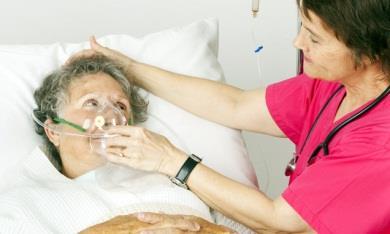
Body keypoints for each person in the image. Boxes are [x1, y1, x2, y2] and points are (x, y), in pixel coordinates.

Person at [70, 0, 390, 233]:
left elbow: (280, 222)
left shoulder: (381, 142)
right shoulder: (332, 85)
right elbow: (234, 105)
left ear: (371, 52)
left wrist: (170, 160)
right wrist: (130, 69)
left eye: (314, 38)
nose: (298, 43)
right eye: (302, 28)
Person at [0, 55, 242, 233]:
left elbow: (256, 225)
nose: (108, 116)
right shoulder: (23, 202)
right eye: (92, 103)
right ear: (52, 130)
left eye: (120, 106)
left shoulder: (174, 180)